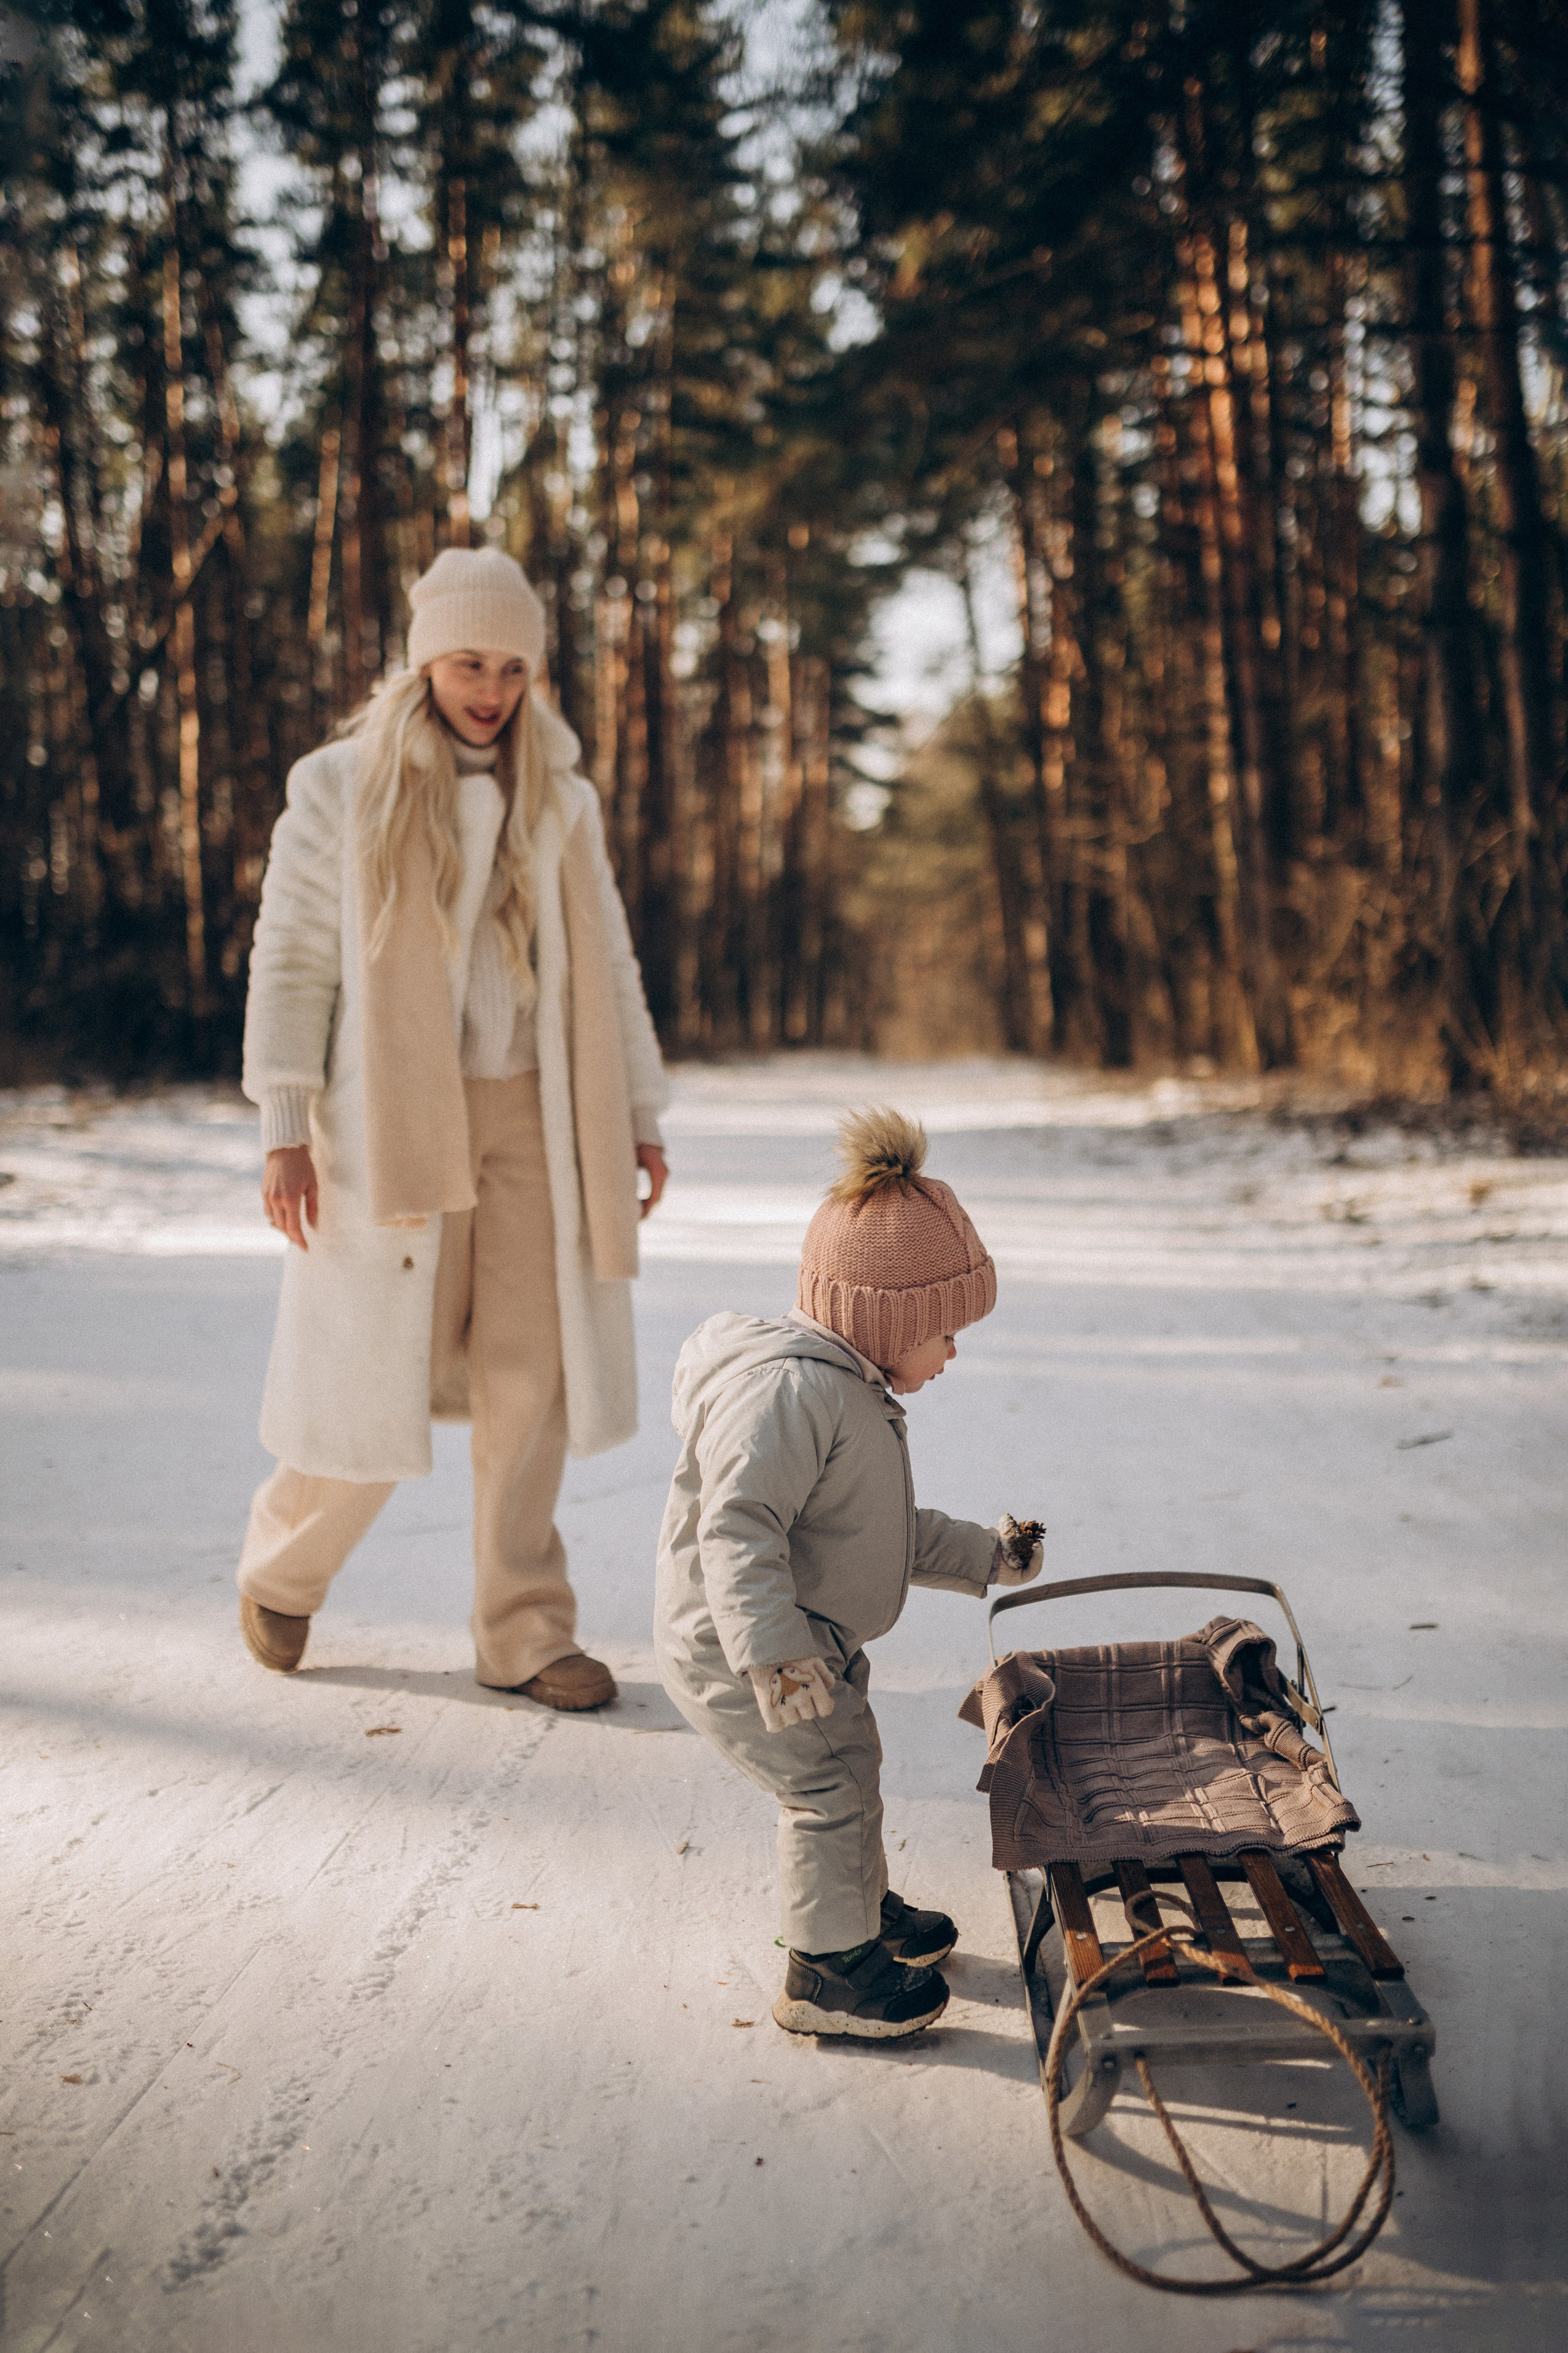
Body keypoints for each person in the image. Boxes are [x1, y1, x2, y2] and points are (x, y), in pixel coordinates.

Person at [236, 546, 669, 1711]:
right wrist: (283, 1116)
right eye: (470, 661)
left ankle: (525, 1632)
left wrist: (636, 1113)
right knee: (388, 1364)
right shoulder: (338, 785)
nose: (491, 687)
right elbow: (293, 957)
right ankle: (285, 1566)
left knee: (531, 1374)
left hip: (537, 1111)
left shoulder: (561, 798)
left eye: (513, 666)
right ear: (428, 658)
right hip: (388, 1116)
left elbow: (611, 966)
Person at [653, 1107, 1043, 2038]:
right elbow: (735, 1528)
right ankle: (826, 1969)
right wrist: (774, 1655)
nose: (952, 1353)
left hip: (804, 1638)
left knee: (848, 1768)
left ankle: (854, 1912)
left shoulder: (849, 1387)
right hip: (746, 1647)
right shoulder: (794, 1393)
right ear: (888, 1317)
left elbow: (877, 1532)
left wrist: (987, 1555)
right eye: (943, 1331)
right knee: (826, 1784)